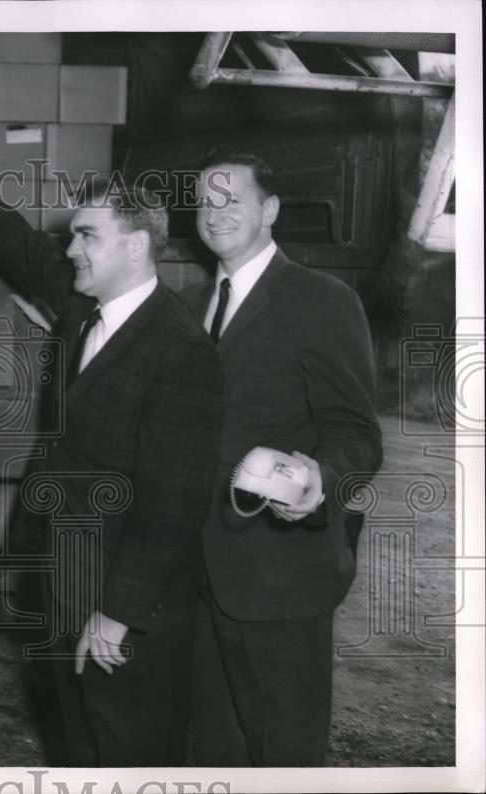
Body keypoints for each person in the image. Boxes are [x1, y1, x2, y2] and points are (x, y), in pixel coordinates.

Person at [0, 119, 223, 766]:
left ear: (136, 247)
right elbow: (19, 246)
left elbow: (174, 504)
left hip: (124, 609)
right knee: (77, 743)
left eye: (87, 235)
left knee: (125, 751)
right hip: (70, 583)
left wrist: (119, 613)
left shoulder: (181, 350)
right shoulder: (85, 309)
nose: (71, 247)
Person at [181, 152, 382, 766]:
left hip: (278, 577)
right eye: (204, 201)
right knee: (213, 753)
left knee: (284, 756)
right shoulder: (189, 305)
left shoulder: (322, 300)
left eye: (230, 199)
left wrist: (319, 480)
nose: (214, 214)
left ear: (269, 209)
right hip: (195, 577)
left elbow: (354, 430)